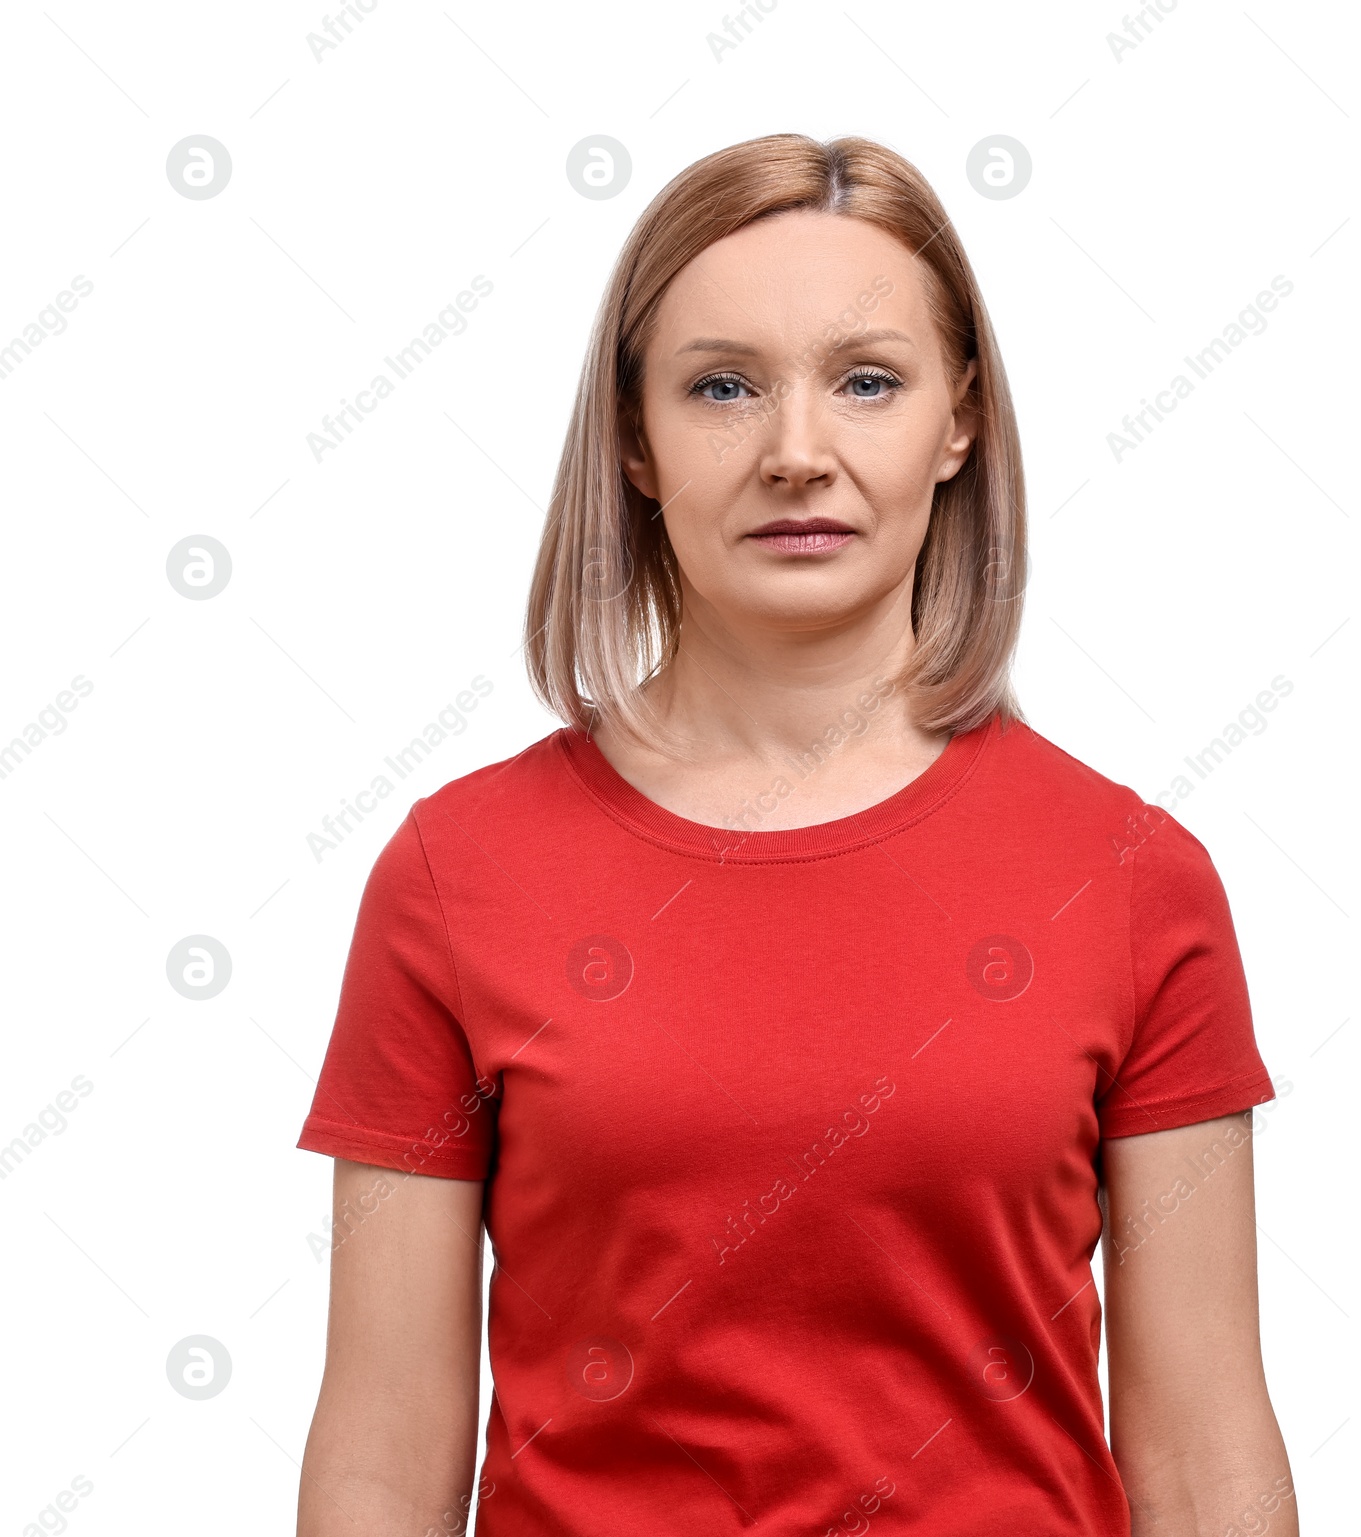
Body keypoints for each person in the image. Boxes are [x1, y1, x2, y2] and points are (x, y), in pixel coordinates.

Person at [295, 133, 1296, 1537]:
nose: (797, 452)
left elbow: (1202, 1462)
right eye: (722, 386)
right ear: (637, 442)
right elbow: (383, 1462)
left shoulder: (1132, 881)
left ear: (960, 424)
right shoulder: (456, 875)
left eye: (867, 381)